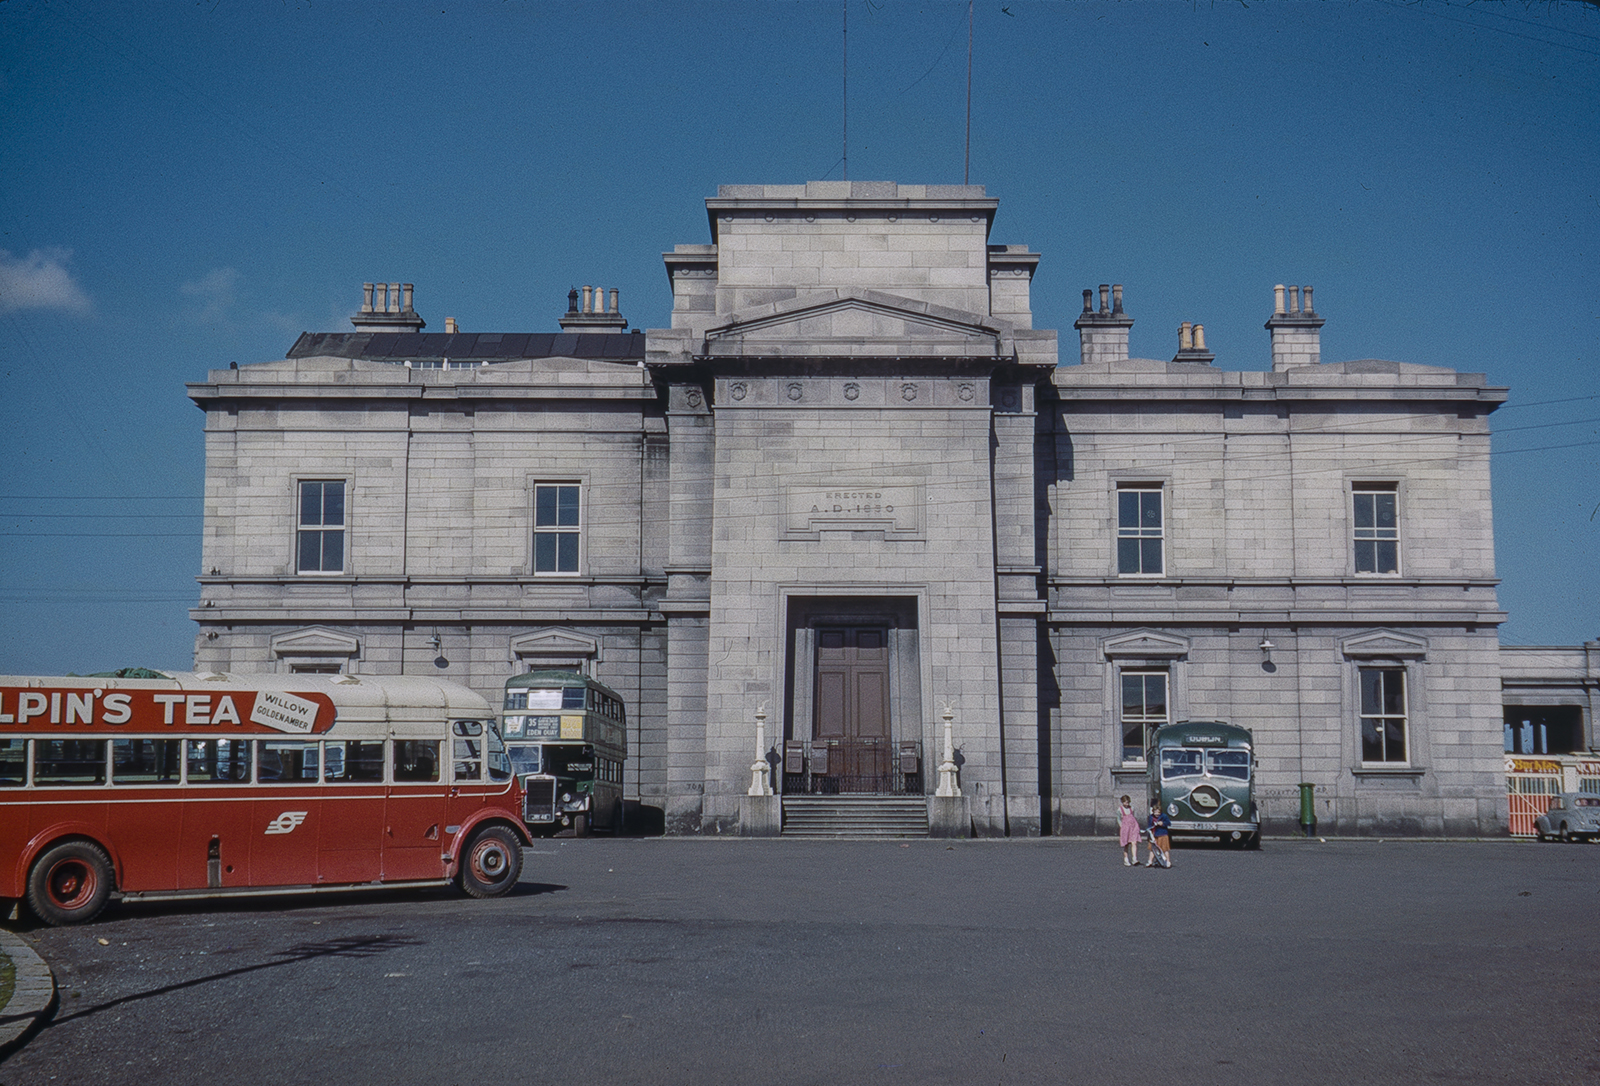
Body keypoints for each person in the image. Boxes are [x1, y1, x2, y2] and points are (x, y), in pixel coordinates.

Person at [1116, 795, 1140, 867]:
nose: (1127, 804)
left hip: (1133, 827)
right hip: (1125, 828)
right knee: (1126, 844)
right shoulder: (1120, 810)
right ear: (1122, 802)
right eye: (1125, 802)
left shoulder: (1131, 808)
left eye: (1128, 802)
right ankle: (1126, 859)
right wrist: (1122, 826)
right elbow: (1118, 819)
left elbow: (1133, 817)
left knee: (1134, 842)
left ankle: (1134, 858)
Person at [1146, 802, 1172, 868]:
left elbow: (1168, 823)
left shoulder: (1164, 816)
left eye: (1158, 812)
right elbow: (1149, 826)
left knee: (1165, 849)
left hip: (1162, 834)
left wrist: (1162, 823)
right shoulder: (1151, 817)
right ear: (1153, 811)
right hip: (1154, 835)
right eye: (1155, 812)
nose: (1157, 814)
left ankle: (1168, 861)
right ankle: (1150, 861)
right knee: (1152, 849)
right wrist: (1149, 835)